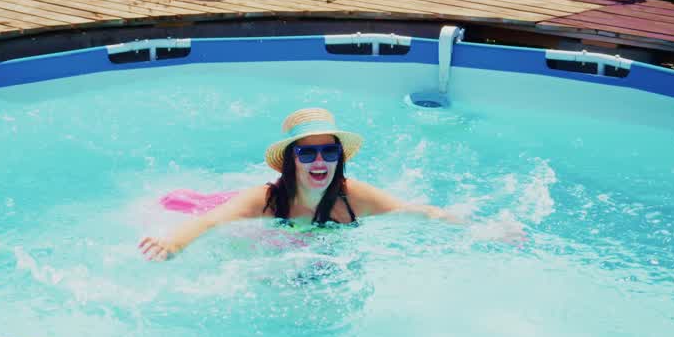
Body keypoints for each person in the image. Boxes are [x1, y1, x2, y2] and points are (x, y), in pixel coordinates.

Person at [138, 107, 513, 261]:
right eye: (307, 154)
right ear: (290, 162)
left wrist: (482, 229)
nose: (320, 161)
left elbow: (416, 212)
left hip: (306, 233)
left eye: (329, 153)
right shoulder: (266, 201)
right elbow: (209, 224)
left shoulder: (353, 197)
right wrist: (173, 242)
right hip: (240, 210)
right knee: (201, 206)